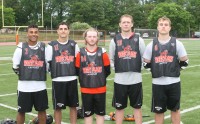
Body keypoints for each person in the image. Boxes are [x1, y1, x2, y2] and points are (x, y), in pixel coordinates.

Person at [143, 16, 188, 124]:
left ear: (170, 28)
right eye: (161, 24)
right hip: (158, 84)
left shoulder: (177, 43)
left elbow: (185, 61)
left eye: (166, 25)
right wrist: (156, 70)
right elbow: (146, 63)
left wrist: (174, 70)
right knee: (158, 111)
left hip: (174, 83)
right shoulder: (151, 45)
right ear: (157, 27)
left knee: (175, 109)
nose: (163, 27)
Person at [109, 14, 145, 124]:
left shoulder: (139, 39)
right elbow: (111, 58)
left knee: (137, 107)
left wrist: (139, 68)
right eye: (123, 22)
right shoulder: (114, 40)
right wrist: (118, 68)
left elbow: (144, 57)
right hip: (120, 80)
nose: (126, 24)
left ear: (132, 24)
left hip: (136, 79)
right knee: (119, 108)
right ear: (120, 24)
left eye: (128, 22)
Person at [12, 24, 48, 124]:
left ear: (38, 33)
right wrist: (27, 74)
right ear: (27, 34)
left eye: (36, 32)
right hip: (24, 87)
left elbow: (48, 65)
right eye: (31, 32)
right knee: (21, 111)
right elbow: (15, 66)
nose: (34, 34)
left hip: (40, 86)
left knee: (42, 111)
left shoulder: (44, 47)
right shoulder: (20, 47)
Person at [75, 28, 111, 124]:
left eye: (94, 36)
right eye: (89, 36)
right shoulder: (80, 53)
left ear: (97, 38)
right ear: (85, 38)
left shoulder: (103, 53)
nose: (92, 39)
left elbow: (107, 71)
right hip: (86, 90)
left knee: (100, 114)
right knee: (88, 114)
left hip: (100, 89)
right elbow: (77, 70)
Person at [46, 22, 79, 124]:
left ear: (68, 31)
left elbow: (78, 62)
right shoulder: (51, 45)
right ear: (57, 31)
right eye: (61, 29)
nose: (63, 31)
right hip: (58, 80)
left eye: (65, 29)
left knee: (73, 107)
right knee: (58, 107)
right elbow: (47, 63)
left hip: (72, 79)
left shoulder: (74, 44)